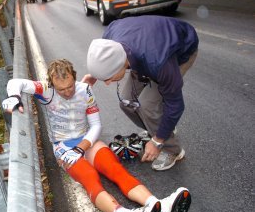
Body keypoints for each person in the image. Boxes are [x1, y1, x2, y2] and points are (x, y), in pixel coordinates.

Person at [2, 59, 191, 212]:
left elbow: (96, 126)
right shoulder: (45, 90)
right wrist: (14, 97)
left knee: (114, 168)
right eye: (62, 89)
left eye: (70, 86)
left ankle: (157, 206)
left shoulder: (84, 90)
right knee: (90, 177)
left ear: (74, 77)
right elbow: (15, 82)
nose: (67, 92)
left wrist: (82, 147)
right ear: (51, 84)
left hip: (86, 140)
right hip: (63, 146)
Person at [84, 15, 199, 171]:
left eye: (109, 78)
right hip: (142, 50)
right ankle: (158, 129)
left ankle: (172, 149)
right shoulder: (110, 40)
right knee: (126, 101)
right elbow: (103, 58)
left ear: (120, 65)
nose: (108, 83)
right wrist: (95, 74)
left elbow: (176, 105)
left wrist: (158, 141)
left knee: (147, 105)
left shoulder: (159, 64)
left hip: (179, 50)